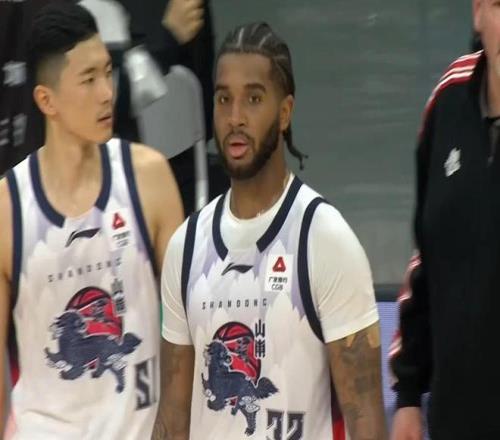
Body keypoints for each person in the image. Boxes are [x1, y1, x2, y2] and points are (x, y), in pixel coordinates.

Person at [154, 22, 387, 440]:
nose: (235, 117)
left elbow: (366, 421)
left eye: (254, 98)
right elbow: (172, 420)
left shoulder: (325, 240)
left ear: (285, 112)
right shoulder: (186, 247)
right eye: (224, 99)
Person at [0, 3, 183, 438]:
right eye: (88, 79)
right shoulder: (7, 209)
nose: (107, 93)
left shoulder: (149, 178)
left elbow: (187, 327)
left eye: (107, 72)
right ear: (46, 101)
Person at [390, 1, 500, 439]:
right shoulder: (448, 98)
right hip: (457, 416)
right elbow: (426, 255)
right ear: (478, 13)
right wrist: (408, 393)